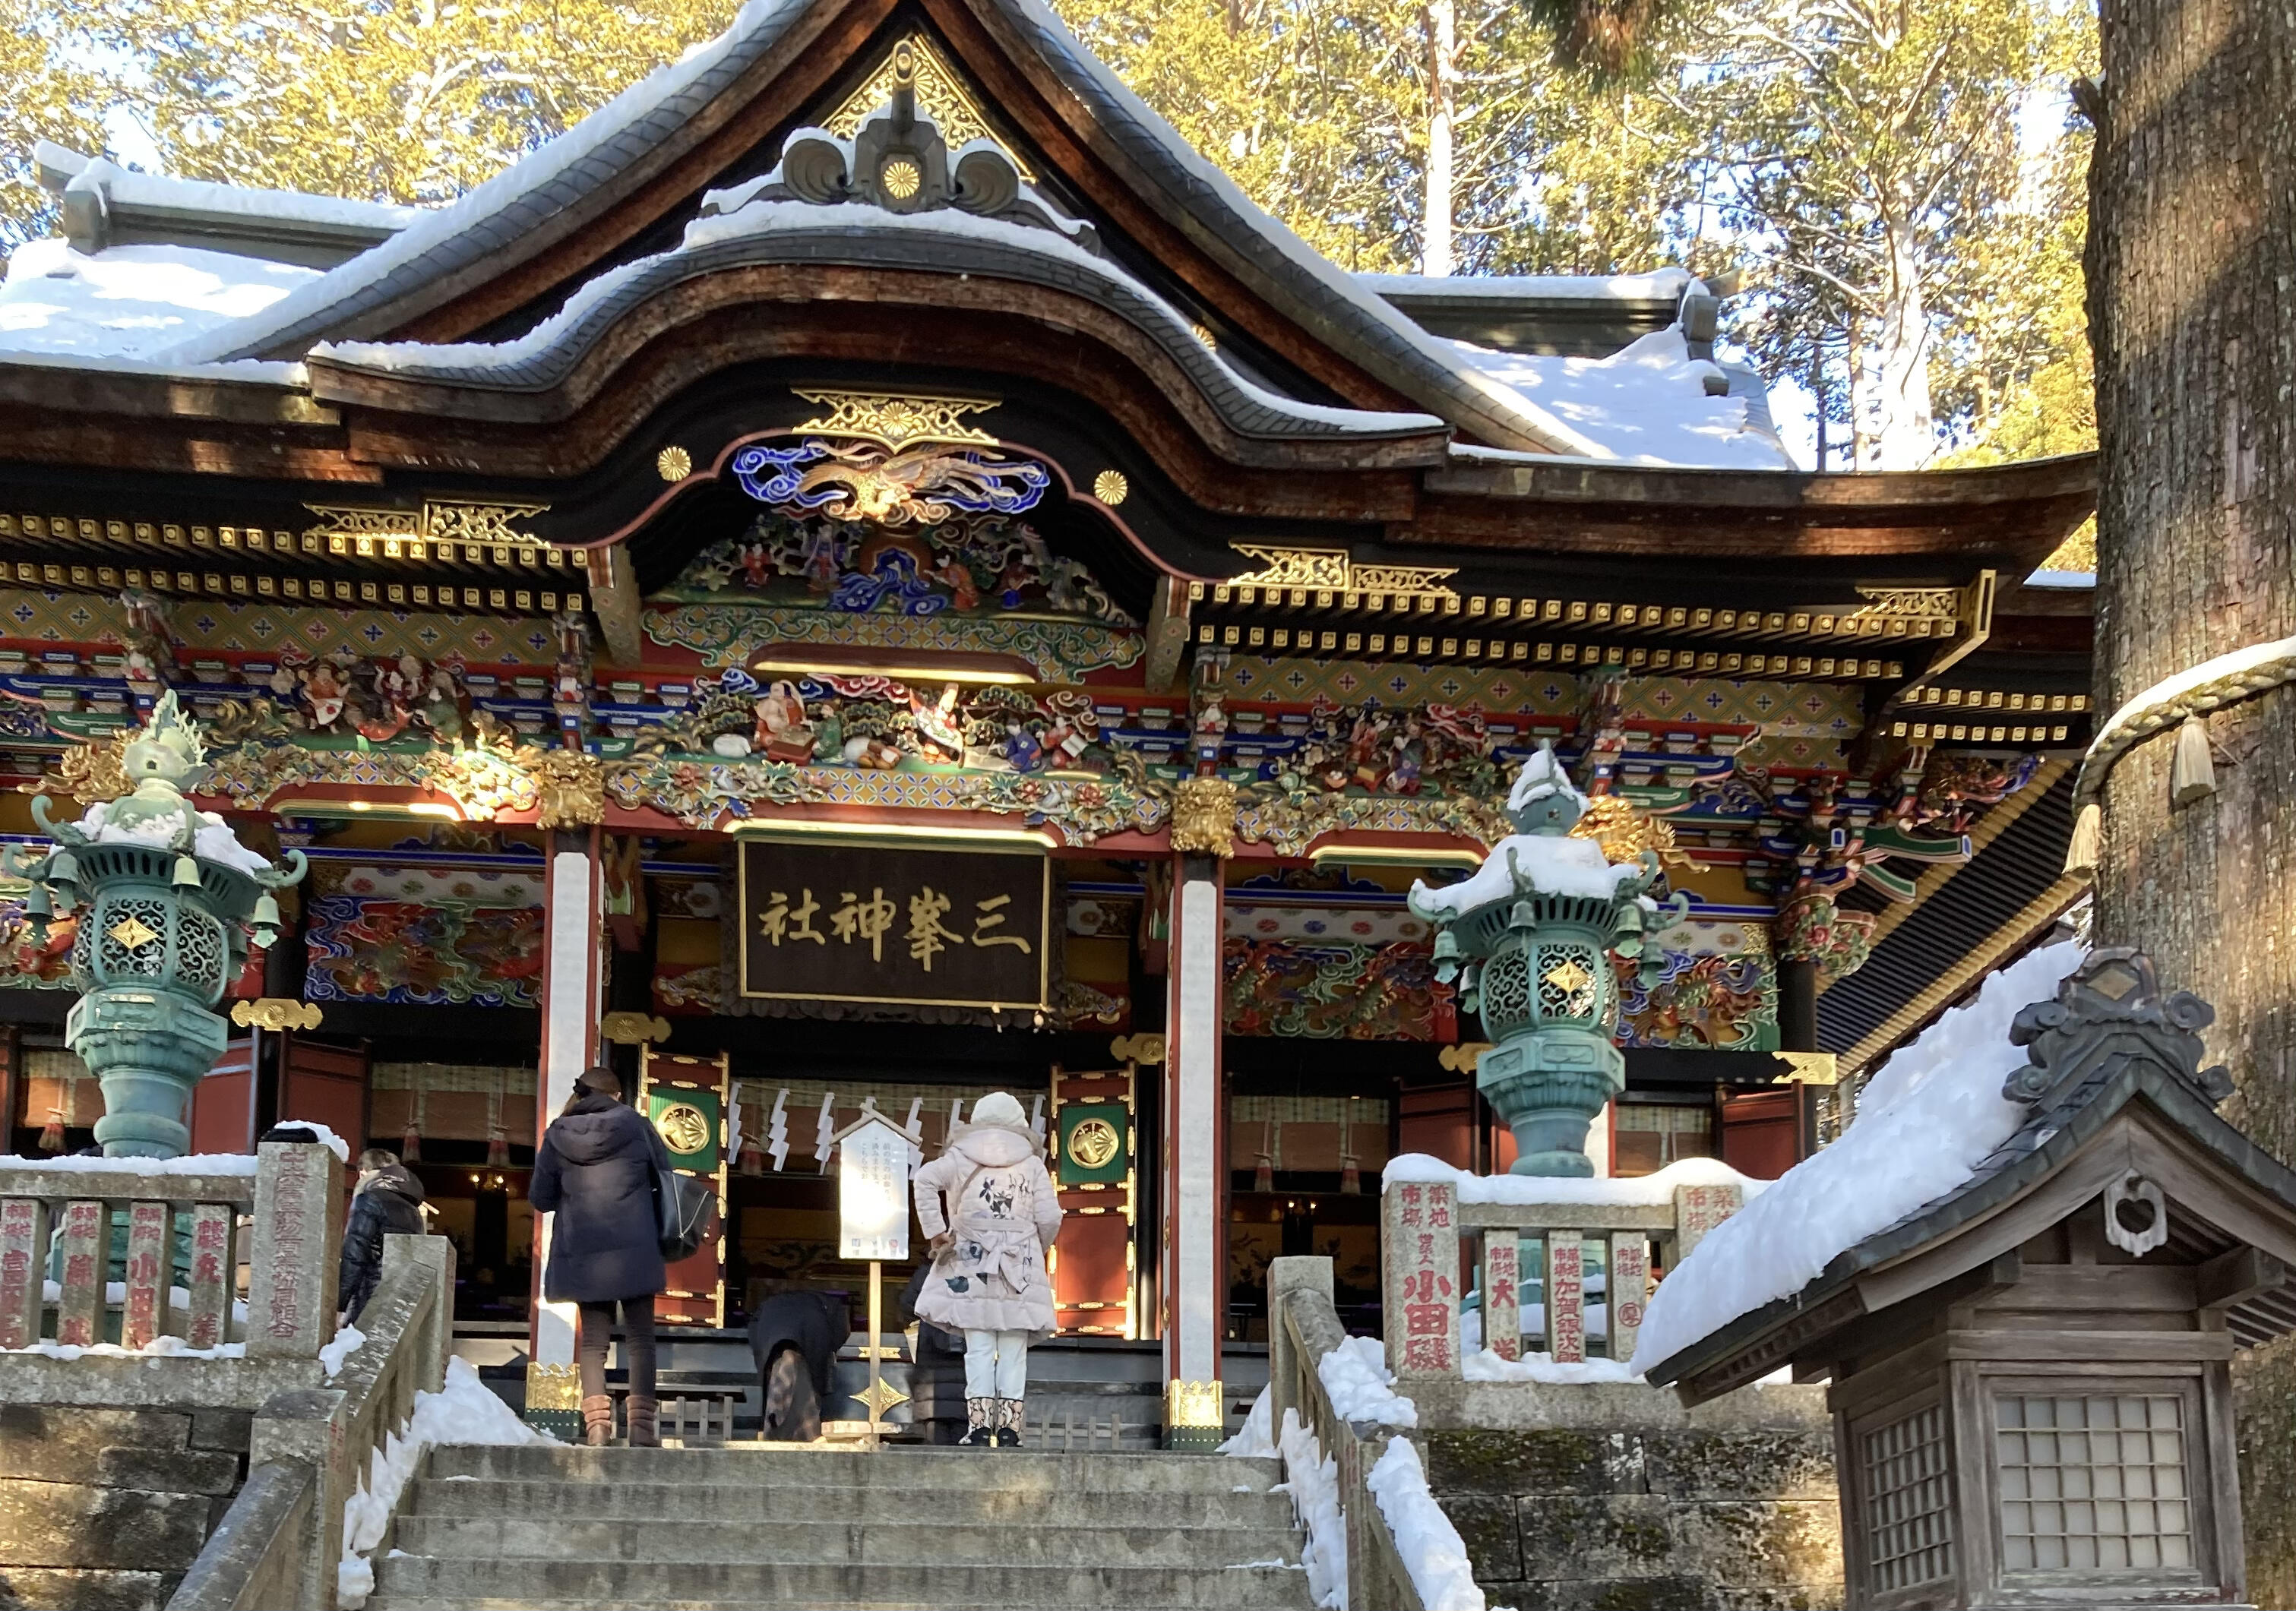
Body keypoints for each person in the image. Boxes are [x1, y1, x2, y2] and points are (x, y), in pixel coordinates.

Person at [530, 1066, 672, 1448]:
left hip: (584, 1253)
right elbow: (666, 1178)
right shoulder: (638, 1126)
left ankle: (597, 1428)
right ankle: (642, 1429)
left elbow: (540, 1199)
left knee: (594, 1342)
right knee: (641, 1337)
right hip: (636, 1247)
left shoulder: (557, 1134)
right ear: (617, 1095)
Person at [910, 1091, 1062, 1447]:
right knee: (1012, 1351)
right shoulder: (1032, 1163)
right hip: (1019, 1269)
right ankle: (1009, 1431)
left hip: (971, 1263)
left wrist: (936, 1233)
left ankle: (979, 1429)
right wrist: (1034, 1247)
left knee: (978, 1349)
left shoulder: (960, 1156)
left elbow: (924, 1181)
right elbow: (1051, 1216)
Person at [337, 1148, 427, 1325]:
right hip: (402, 1295)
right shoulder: (413, 1209)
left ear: (363, 1172)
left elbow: (355, 1254)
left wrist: (340, 1303)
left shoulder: (370, 1198)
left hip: (371, 1295)